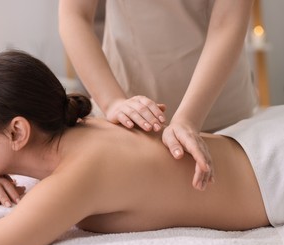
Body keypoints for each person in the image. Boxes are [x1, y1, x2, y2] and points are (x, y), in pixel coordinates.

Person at [0, 51, 284, 245]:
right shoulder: (76, 132)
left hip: (281, 171)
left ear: (18, 131)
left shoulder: (78, 175)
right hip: (259, 143)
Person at [58, 0, 258, 190]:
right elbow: (75, 15)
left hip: (219, 111)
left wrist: (188, 120)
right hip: (125, 111)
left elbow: (227, 23)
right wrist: (112, 102)